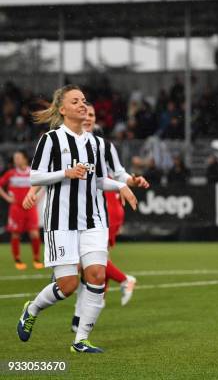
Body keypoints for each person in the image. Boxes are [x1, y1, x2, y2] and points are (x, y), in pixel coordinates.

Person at [16, 84, 137, 354]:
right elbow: (35, 177)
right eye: (75, 101)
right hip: (61, 222)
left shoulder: (95, 143)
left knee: (96, 276)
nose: (83, 105)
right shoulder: (51, 140)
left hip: (94, 219)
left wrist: (121, 186)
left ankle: (81, 340)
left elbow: (97, 181)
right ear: (63, 109)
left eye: (84, 100)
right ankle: (31, 309)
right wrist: (65, 173)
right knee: (68, 285)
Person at [0, 151, 42, 270]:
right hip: (16, 208)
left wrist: (38, 197)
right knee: (15, 234)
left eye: (18, 158)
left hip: (30, 207)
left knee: (34, 233)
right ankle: (17, 259)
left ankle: (36, 258)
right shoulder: (11, 173)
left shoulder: (33, 173)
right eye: (14, 158)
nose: (16, 160)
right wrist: (8, 198)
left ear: (25, 159)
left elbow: (43, 184)